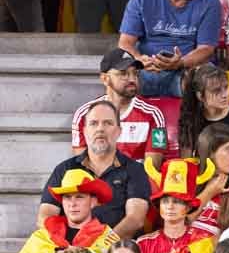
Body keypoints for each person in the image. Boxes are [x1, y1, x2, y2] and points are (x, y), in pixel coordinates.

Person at [117, 0, 222, 97]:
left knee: (206, 80)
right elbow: (125, 43)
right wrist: (139, 60)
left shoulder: (210, 2)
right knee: (116, 76)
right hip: (146, 71)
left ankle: (194, 120)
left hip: (186, 70)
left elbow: (206, 49)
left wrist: (180, 63)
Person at [40, 101, 151, 240]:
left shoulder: (135, 170)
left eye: (107, 123)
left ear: (119, 131)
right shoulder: (64, 169)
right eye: (94, 123)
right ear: (85, 131)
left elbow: (135, 219)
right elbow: (46, 214)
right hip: (71, 250)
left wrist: (101, 248)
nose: (100, 129)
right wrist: (65, 247)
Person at [14, 171, 120, 253]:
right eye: (67, 197)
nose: (72, 203)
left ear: (93, 202)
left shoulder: (109, 239)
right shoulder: (42, 236)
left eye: (79, 197)